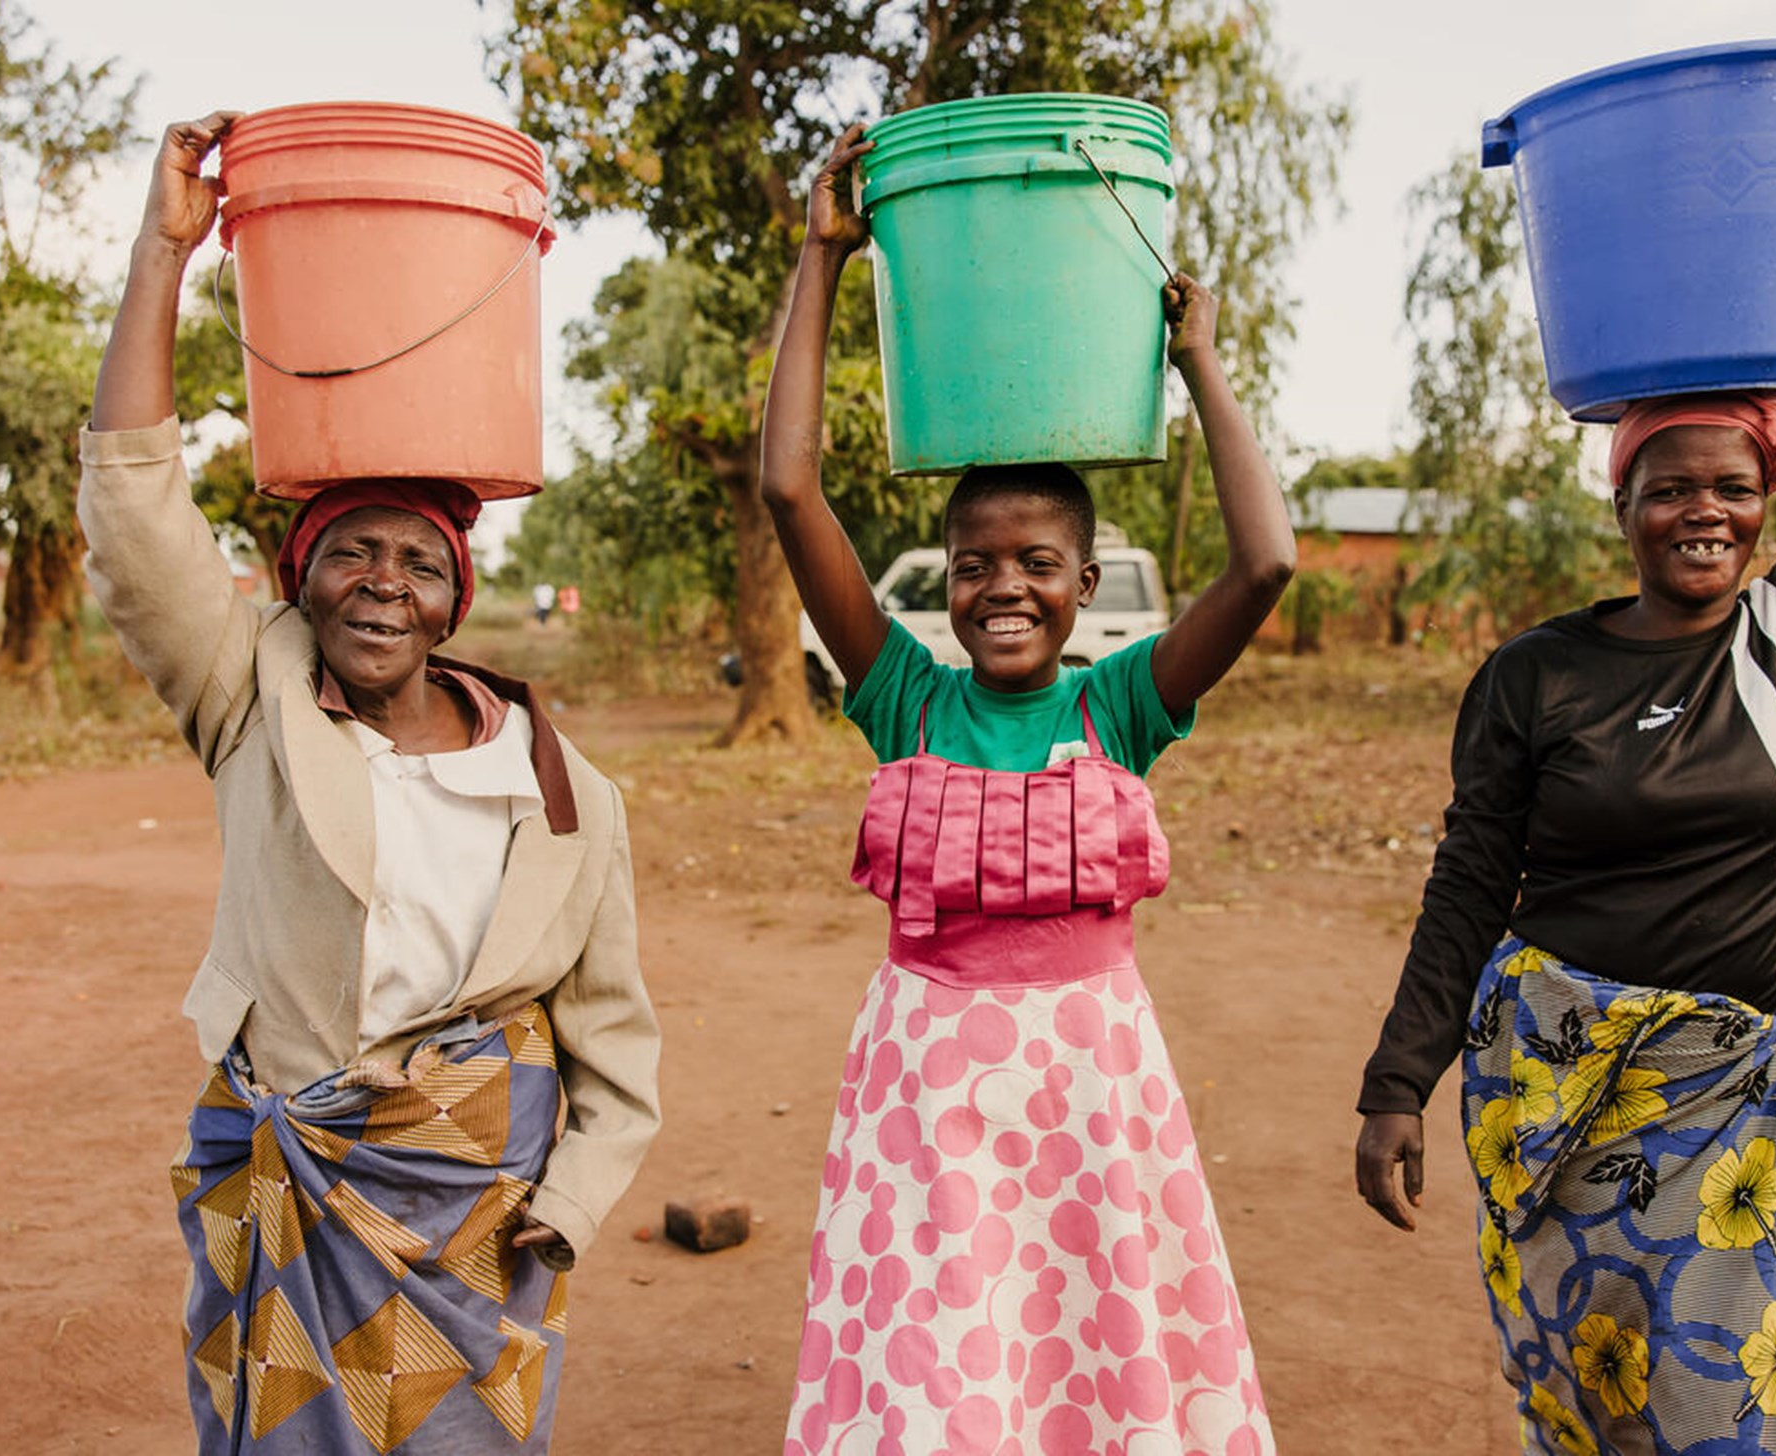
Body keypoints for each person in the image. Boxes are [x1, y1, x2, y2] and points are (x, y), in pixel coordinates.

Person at [1353, 61, 1776, 1456]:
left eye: (1733, 488)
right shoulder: (1535, 677)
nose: (1704, 512)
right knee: (1582, 1411)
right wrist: (1401, 1081)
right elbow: (1468, 888)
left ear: (1768, 501)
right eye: (1670, 486)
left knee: (1722, 1416)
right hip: (1565, 1107)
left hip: (1748, 1108)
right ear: (1622, 502)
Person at [79, 113, 660, 1454]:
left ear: (457, 599)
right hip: (292, 1171)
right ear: (300, 580)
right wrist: (166, 253)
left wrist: (561, 1213)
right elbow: (133, 514)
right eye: (351, 552)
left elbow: (615, 1043)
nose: (383, 581)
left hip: (472, 1204)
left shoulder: (567, 799)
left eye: (417, 560)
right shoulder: (252, 702)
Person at [764, 124, 1297, 1454]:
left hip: (1089, 1078)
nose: (1005, 586)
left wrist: (1200, 366)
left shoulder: (1117, 706)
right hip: (931, 1084)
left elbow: (1267, 564)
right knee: (952, 1348)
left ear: (1083, 579)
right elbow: (787, 488)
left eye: (1039, 561)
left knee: (1090, 1334)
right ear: (946, 579)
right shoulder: (909, 702)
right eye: (976, 562)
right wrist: (822, 260)